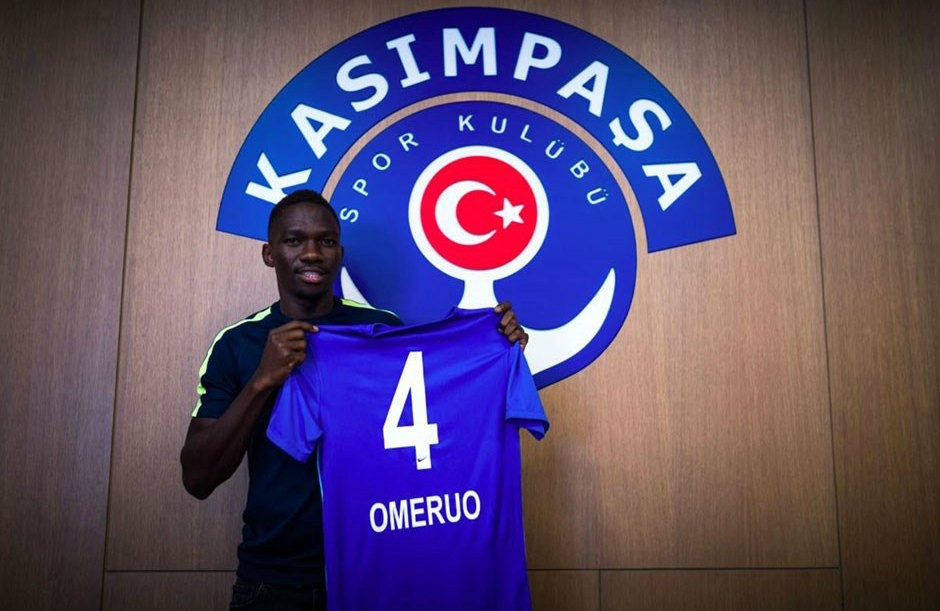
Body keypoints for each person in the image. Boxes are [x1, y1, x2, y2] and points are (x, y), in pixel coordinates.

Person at [180, 189, 528, 611]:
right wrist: (261, 381)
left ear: (340, 253)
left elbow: (447, 419)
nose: (312, 253)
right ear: (269, 254)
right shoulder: (237, 344)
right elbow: (197, 478)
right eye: (294, 240)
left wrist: (495, 349)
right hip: (278, 580)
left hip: (382, 570)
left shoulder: (382, 331)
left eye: (326, 241)